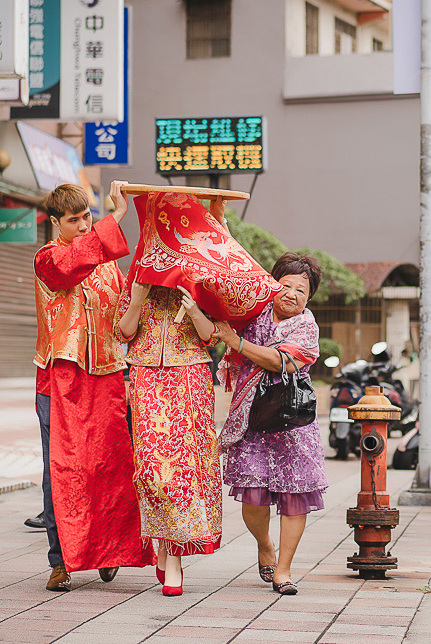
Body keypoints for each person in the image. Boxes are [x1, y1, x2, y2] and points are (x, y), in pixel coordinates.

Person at [33, 181, 155, 592]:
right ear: (55, 223)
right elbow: (70, 267)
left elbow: (124, 312)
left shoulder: (106, 264)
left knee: (111, 467)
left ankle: (107, 550)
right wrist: (116, 216)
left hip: (106, 377)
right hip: (59, 379)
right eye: (75, 219)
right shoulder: (47, 258)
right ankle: (61, 560)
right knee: (61, 472)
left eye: (88, 217)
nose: (84, 225)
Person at [117, 200, 228, 597]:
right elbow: (124, 332)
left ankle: (174, 555)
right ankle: (165, 545)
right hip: (146, 374)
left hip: (192, 373)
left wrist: (195, 308)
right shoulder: (138, 280)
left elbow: (214, 336)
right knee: (151, 467)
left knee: (183, 466)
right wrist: (136, 299)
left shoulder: (198, 274)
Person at [214, 252, 328, 596]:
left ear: (308, 299)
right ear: (272, 284)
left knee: (295, 497)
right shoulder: (252, 312)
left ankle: (284, 569)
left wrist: (237, 343)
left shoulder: (306, 326)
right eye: (286, 285)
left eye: (301, 291)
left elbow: (282, 361)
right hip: (251, 421)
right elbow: (228, 272)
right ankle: (265, 544)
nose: (292, 294)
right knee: (252, 499)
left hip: (292, 424)